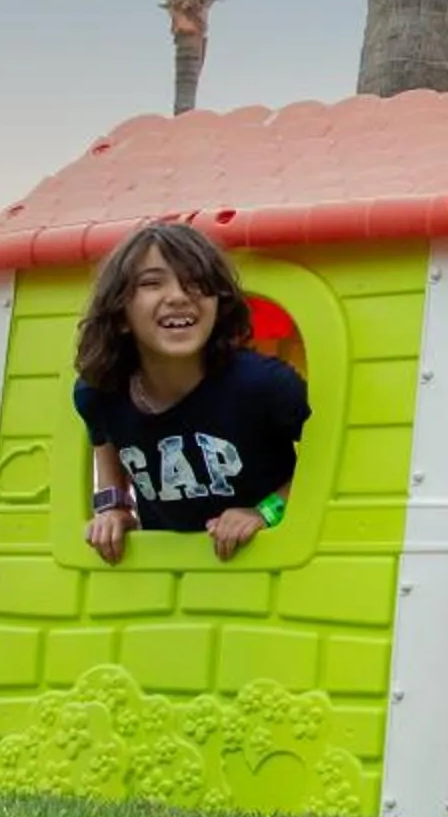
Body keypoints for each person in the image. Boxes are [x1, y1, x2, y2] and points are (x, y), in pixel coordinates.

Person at [71, 222, 309, 565]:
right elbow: (105, 437)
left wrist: (264, 513)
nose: (179, 296)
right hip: (174, 577)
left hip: (267, 569)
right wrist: (114, 507)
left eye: (196, 282)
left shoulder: (263, 384)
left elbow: (336, 461)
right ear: (120, 314)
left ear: (218, 305)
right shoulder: (99, 393)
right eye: (152, 283)